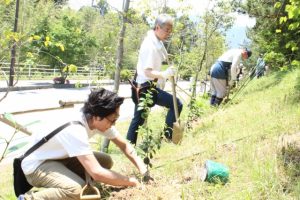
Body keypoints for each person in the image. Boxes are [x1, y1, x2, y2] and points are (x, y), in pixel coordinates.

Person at [18, 88, 147, 200]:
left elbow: (124, 145)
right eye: (113, 120)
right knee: (76, 191)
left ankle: (70, 185)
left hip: (58, 158)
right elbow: (97, 172)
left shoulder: (94, 118)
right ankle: (29, 198)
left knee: (105, 161)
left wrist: (143, 169)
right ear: (97, 116)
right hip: (36, 166)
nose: (114, 124)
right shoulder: (75, 128)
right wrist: (130, 182)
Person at [126, 14, 183, 145]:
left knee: (138, 119)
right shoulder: (149, 46)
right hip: (145, 88)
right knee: (176, 105)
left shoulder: (156, 41)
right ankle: (168, 137)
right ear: (157, 27)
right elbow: (147, 71)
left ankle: (129, 146)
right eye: (167, 30)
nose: (169, 33)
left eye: (171, 30)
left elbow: (161, 54)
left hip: (147, 86)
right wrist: (164, 74)